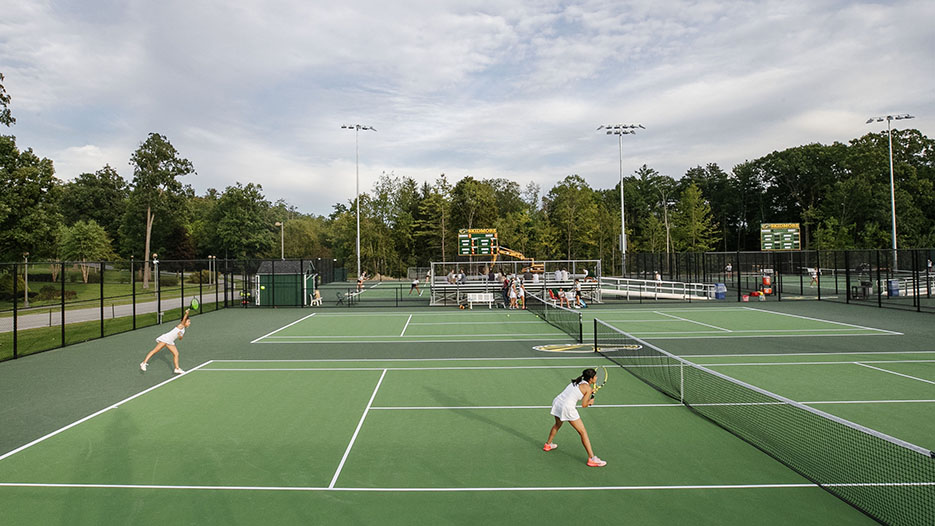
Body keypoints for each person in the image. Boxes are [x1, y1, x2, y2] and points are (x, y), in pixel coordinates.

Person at [543, 368, 606, 467]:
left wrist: (589, 393)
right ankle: (592, 458)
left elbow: (579, 392)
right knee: (583, 432)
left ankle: (548, 445)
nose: (597, 377)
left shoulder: (578, 381)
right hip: (567, 408)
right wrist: (590, 401)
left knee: (557, 424)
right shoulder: (588, 389)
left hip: (558, 402)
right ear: (591, 379)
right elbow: (584, 405)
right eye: (595, 376)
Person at [140, 309, 191, 374]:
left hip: (170, 341)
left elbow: (180, 338)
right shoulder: (181, 326)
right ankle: (143, 363)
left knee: (176, 354)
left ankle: (177, 368)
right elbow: (184, 320)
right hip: (166, 339)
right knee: (155, 350)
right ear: (184, 322)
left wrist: (180, 336)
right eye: (188, 321)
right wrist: (186, 314)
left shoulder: (183, 330)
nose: (189, 323)